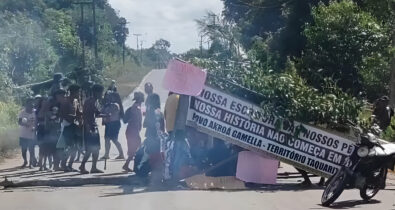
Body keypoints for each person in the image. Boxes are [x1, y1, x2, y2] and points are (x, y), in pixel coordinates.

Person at [79, 84, 105, 174]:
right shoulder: (89, 101)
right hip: (89, 127)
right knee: (90, 148)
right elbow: (85, 115)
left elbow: (97, 113)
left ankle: (93, 167)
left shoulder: (94, 101)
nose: (101, 94)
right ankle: (82, 165)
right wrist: (87, 127)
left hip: (93, 126)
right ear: (96, 92)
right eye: (101, 92)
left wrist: (106, 115)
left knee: (96, 148)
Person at [57, 84, 82, 171]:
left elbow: (78, 112)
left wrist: (81, 116)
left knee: (75, 148)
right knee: (69, 147)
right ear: (73, 92)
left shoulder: (75, 101)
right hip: (67, 126)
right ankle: (63, 164)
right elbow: (62, 115)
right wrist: (73, 118)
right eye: (78, 92)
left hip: (74, 126)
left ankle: (70, 165)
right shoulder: (65, 101)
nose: (79, 93)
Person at [37, 89, 64, 171]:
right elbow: (40, 115)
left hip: (56, 131)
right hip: (48, 132)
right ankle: (44, 165)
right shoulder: (47, 108)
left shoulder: (59, 105)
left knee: (56, 149)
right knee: (47, 149)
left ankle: (55, 165)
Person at [122, 91, 144, 172]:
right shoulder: (136, 107)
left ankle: (128, 165)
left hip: (133, 130)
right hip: (133, 130)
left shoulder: (136, 106)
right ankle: (132, 165)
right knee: (137, 148)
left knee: (135, 148)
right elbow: (136, 119)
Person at [101, 92, 124, 160]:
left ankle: (121, 154)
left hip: (114, 123)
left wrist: (106, 109)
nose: (108, 98)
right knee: (107, 139)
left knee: (114, 139)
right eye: (107, 97)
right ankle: (106, 154)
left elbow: (110, 113)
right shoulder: (107, 105)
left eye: (110, 97)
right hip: (109, 124)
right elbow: (102, 112)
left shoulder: (115, 105)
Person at [18, 98, 37, 168]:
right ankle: (25, 161)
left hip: (32, 134)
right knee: (24, 150)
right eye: (29, 103)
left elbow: (37, 122)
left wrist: (35, 128)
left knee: (31, 149)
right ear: (26, 104)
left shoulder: (35, 112)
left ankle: (31, 163)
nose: (31, 105)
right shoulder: (22, 112)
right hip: (23, 134)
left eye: (32, 103)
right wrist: (25, 124)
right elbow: (19, 122)